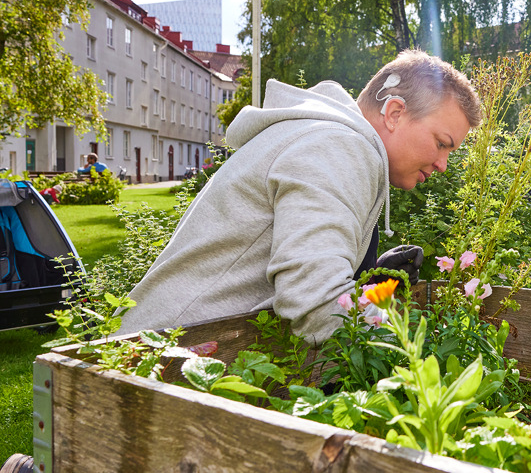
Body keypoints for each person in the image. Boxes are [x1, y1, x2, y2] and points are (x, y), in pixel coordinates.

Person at [120, 50, 482, 345]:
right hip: (160, 364)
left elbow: (305, 288)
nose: (443, 164)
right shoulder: (338, 147)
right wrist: (424, 347)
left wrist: (371, 286)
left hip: (180, 354)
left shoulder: (325, 139)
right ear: (395, 113)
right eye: (441, 143)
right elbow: (318, 308)